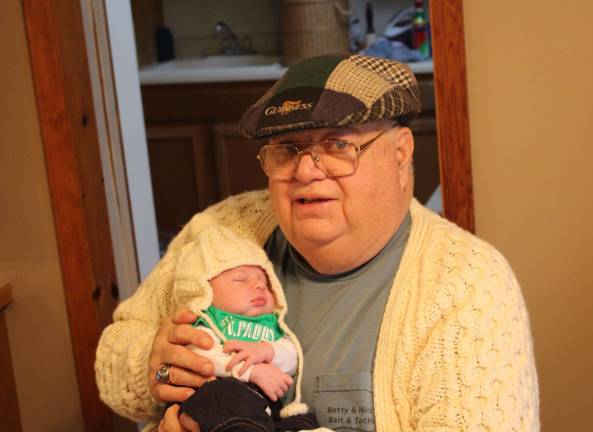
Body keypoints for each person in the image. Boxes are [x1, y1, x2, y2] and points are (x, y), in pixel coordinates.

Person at [96, 53, 540, 431]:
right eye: (287, 149)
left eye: (337, 145)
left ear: (401, 152)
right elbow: (115, 360)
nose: (307, 171)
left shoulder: (468, 285)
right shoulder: (223, 231)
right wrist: (152, 363)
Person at [169, 224, 320, 432]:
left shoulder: (270, 325)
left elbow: (292, 356)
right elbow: (204, 358)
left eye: (265, 283)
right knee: (222, 395)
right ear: (204, 292)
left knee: (304, 420)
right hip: (220, 405)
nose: (259, 286)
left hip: (266, 411)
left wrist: (268, 350)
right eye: (241, 279)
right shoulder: (207, 323)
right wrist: (252, 371)